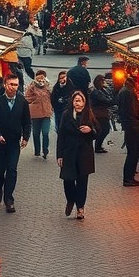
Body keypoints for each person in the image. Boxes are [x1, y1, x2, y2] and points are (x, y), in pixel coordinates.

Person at [0, 73, 31, 212]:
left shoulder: (22, 101)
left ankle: (9, 199)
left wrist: (26, 137)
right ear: (5, 84)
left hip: (13, 143)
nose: (14, 88)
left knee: (12, 169)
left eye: (16, 85)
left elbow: (27, 122)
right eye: (11, 84)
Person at [56, 90, 97, 220]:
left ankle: (80, 208)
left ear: (84, 102)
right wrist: (59, 155)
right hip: (69, 152)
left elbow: (98, 131)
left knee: (82, 182)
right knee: (68, 179)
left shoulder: (89, 114)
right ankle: (70, 200)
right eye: (76, 100)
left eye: (80, 101)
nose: (78, 103)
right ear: (72, 102)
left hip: (84, 153)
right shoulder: (66, 115)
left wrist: (90, 130)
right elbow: (61, 135)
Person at [117, 75, 139, 187]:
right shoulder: (128, 92)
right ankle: (128, 179)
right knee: (134, 151)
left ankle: (130, 175)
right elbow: (133, 111)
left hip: (130, 125)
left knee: (133, 151)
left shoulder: (125, 90)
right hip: (133, 126)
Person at [25, 69, 53, 159]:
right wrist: (34, 99)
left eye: (43, 76)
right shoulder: (32, 86)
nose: (41, 78)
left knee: (45, 132)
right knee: (36, 133)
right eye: (39, 76)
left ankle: (45, 151)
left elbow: (52, 96)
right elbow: (27, 98)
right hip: (35, 113)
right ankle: (37, 151)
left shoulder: (48, 86)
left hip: (46, 113)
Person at [89, 75, 113, 153]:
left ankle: (98, 146)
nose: (104, 82)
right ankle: (97, 146)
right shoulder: (96, 92)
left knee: (103, 129)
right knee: (104, 129)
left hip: (103, 112)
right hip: (99, 114)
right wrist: (111, 101)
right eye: (102, 81)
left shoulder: (102, 90)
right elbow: (105, 100)